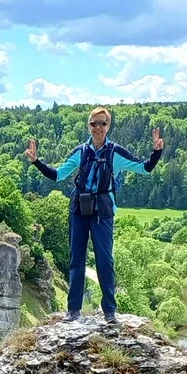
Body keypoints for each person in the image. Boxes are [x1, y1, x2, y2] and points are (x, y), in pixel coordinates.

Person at [25, 107, 163, 323]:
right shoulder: (80, 152)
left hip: (103, 211)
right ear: (88, 126)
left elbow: (145, 168)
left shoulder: (115, 152)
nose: (98, 128)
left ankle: (109, 311)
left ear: (108, 126)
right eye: (94, 123)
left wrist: (156, 152)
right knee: (76, 260)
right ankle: (73, 310)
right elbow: (58, 175)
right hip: (79, 209)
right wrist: (36, 162)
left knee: (105, 260)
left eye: (102, 123)